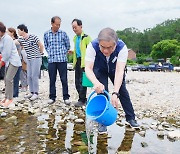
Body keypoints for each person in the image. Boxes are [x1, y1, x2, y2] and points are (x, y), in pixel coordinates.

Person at [85, 28, 140, 133]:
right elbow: (88, 68)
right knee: (101, 92)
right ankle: (102, 122)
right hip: (100, 69)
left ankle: (130, 118)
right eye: (103, 47)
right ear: (98, 43)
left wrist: (115, 92)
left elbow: (120, 71)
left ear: (115, 44)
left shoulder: (122, 48)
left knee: (122, 91)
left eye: (110, 47)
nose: (106, 51)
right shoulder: (92, 46)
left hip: (115, 68)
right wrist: (96, 83)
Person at [44, 16, 71, 105]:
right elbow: (46, 46)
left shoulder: (63, 33)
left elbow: (68, 45)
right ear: (52, 23)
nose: (58, 26)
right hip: (52, 60)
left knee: (64, 79)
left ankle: (66, 97)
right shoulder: (46, 34)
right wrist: (51, 53)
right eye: (56, 24)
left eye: (59, 24)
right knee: (52, 79)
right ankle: (52, 97)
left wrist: (63, 52)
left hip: (62, 59)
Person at [17, 24, 44, 101]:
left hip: (36, 58)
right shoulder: (21, 39)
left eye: (18, 30)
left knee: (34, 75)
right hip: (29, 59)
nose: (18, 32)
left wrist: (40, 54)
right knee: (29, 76)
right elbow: (15, 42)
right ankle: (31, 92)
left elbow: (41, 45)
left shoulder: (33, 37)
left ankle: (36, 93)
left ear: (22, 30)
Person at [70, 19, 92, 107]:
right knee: (76, 82)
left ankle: (82, 100)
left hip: (85, 62)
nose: (74, 29)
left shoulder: (86, 37)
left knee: (82, 82)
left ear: (81, 26)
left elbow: (91, 50)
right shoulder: (75, 38)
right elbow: (78, 50)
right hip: (77, 61)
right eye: (73, 28)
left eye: (75, 27)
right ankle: (83, 98)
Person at [0, 22, 21, 107]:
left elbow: (7, 53)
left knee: (9, 79)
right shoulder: (2, 38)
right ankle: (6, 97)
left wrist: (1, 63)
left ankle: (10, 98)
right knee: (6, 79)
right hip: (8, 62)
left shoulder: (7, 38)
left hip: (14, 61)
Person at [7, 27, 22, 98]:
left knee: (15, 79)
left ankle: (15, 94)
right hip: (9, 62)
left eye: (8, 32)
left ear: (12, 33)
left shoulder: (16, 41)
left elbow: (18, 52)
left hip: (16, 62)